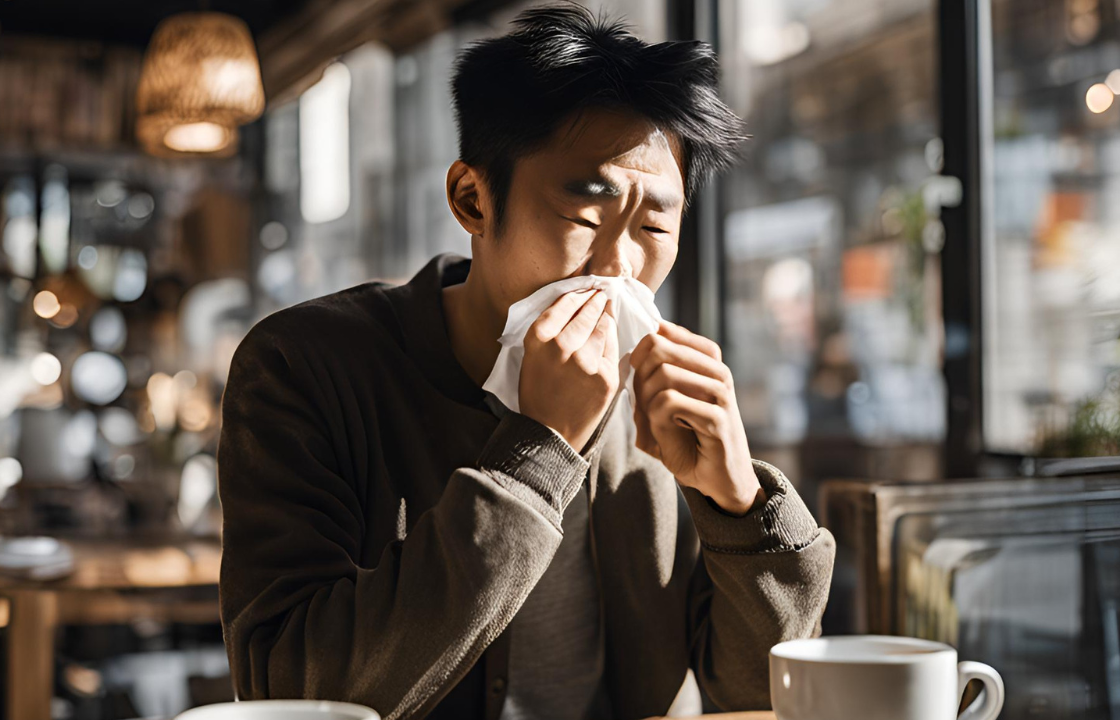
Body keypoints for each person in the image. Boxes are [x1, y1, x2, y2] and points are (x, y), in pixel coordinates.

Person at [216, 5, 835, 720]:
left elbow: (759, 697)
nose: (616, 267)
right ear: (472, 199)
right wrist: (540, 451)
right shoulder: (303, 366)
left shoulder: (662, 393)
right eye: (583, 217)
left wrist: (739, 505)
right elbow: (285, 690)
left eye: (654, 227)